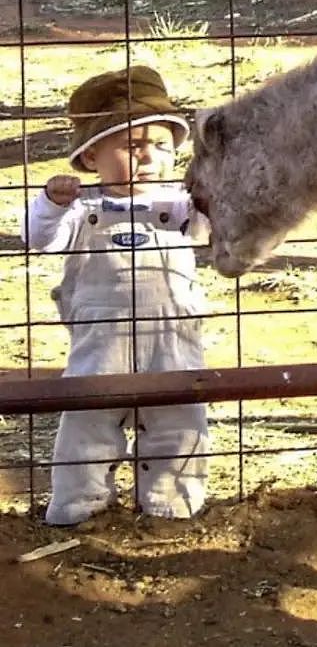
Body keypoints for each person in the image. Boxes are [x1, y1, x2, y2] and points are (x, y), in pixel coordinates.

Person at [23, 65, 211, 525]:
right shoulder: (81, 212)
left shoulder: (182, 207)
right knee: (87, 421)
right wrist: (50, 203)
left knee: (180, 421)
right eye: (133, 146)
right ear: (90, 158)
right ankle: (77, 506)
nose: (150, 158)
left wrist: (213, 194)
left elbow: (211, 232)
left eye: (162, 146)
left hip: (174, 336)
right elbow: (38, 238)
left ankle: (172, 505)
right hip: (99, 341)